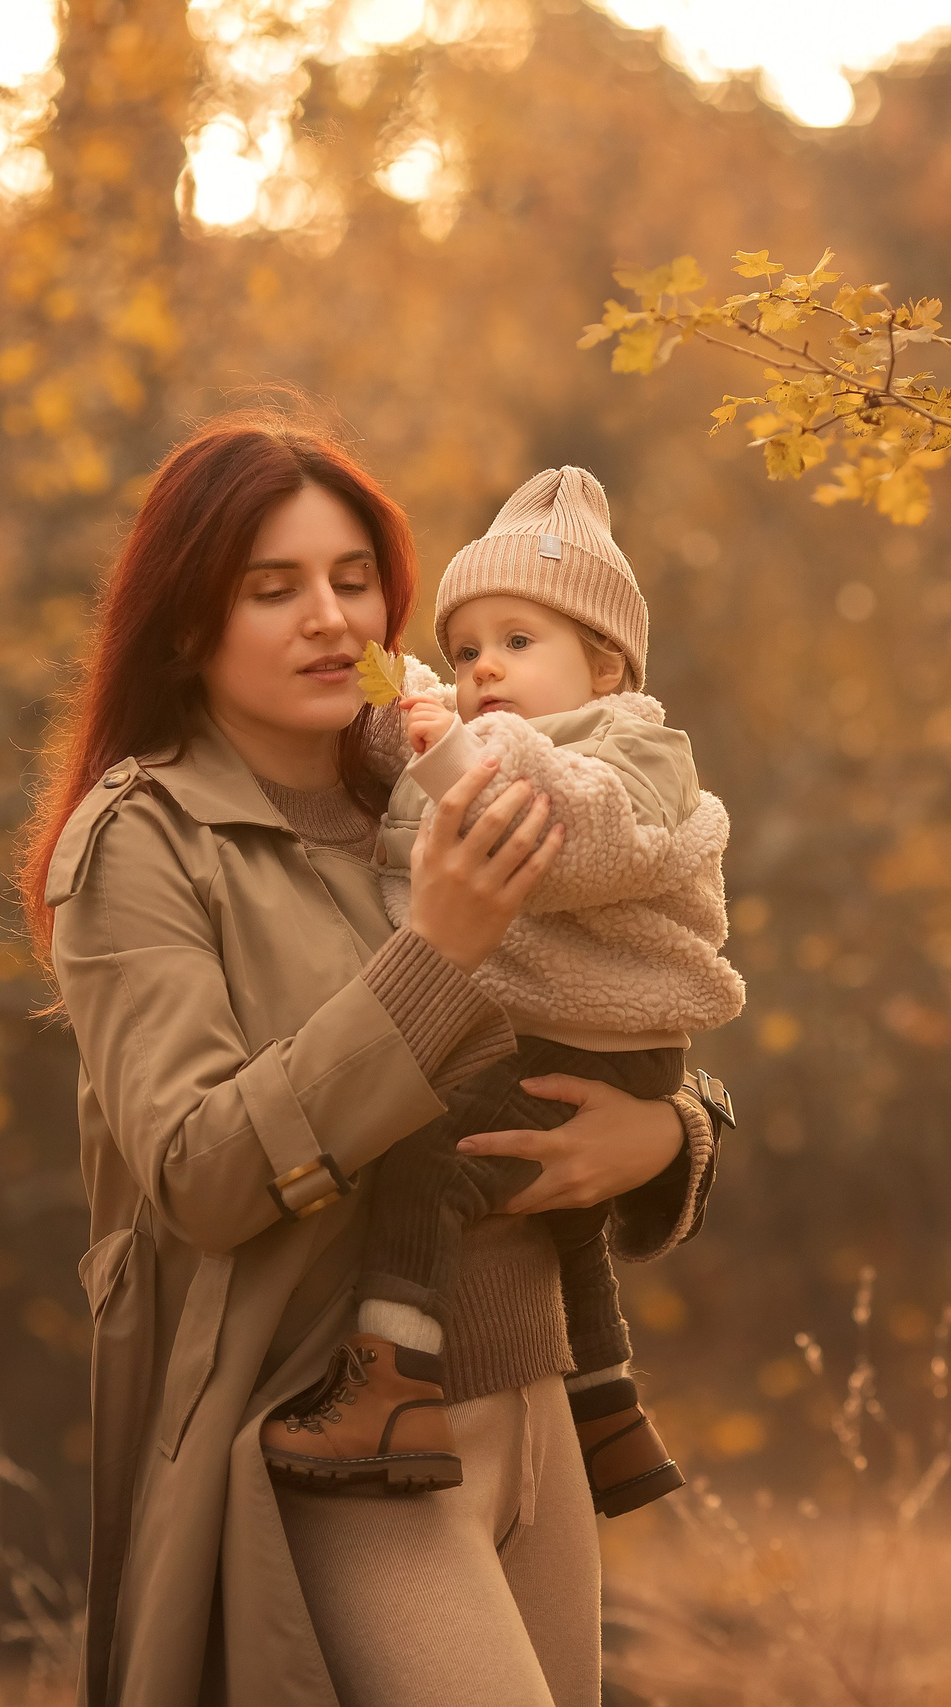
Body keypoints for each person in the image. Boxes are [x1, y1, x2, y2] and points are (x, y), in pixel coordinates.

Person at [18, 413, 729, 1707]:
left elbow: (608, 991)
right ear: (189, 619)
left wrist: (672, 1132)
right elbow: (200, 1169)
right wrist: (435, 949)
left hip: (536, 1412)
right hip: (352, 1438)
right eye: (270, 586)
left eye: (353, 581)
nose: (328, 618)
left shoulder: (447, 789)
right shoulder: (139, 845)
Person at [257, 468, 742, 1522]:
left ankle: (389, 1386)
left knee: (432, 1154)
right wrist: (409, 710)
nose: (484, 671)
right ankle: (608, 1410)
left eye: (518, 644)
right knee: (568, 1225)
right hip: (568, 1033)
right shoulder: (507, 738)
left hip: (607, 1034)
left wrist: (477, 747)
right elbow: (420, 744)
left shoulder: (632, 751)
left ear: (605, 662)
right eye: (469, 649)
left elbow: (579, 842)